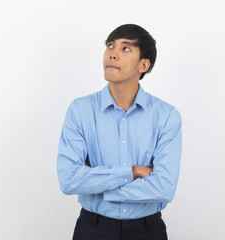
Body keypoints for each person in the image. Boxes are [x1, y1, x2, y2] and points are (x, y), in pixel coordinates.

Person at [57, 24, 182, 240]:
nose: (112, 54)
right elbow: (69, 180)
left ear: (143, 64)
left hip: (147, 231)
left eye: (125, 49)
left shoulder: (167, 116)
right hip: (93, 229)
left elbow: (164, 187)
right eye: (110, 46)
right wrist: (133, 172)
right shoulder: (80, 110)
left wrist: (100, 187)